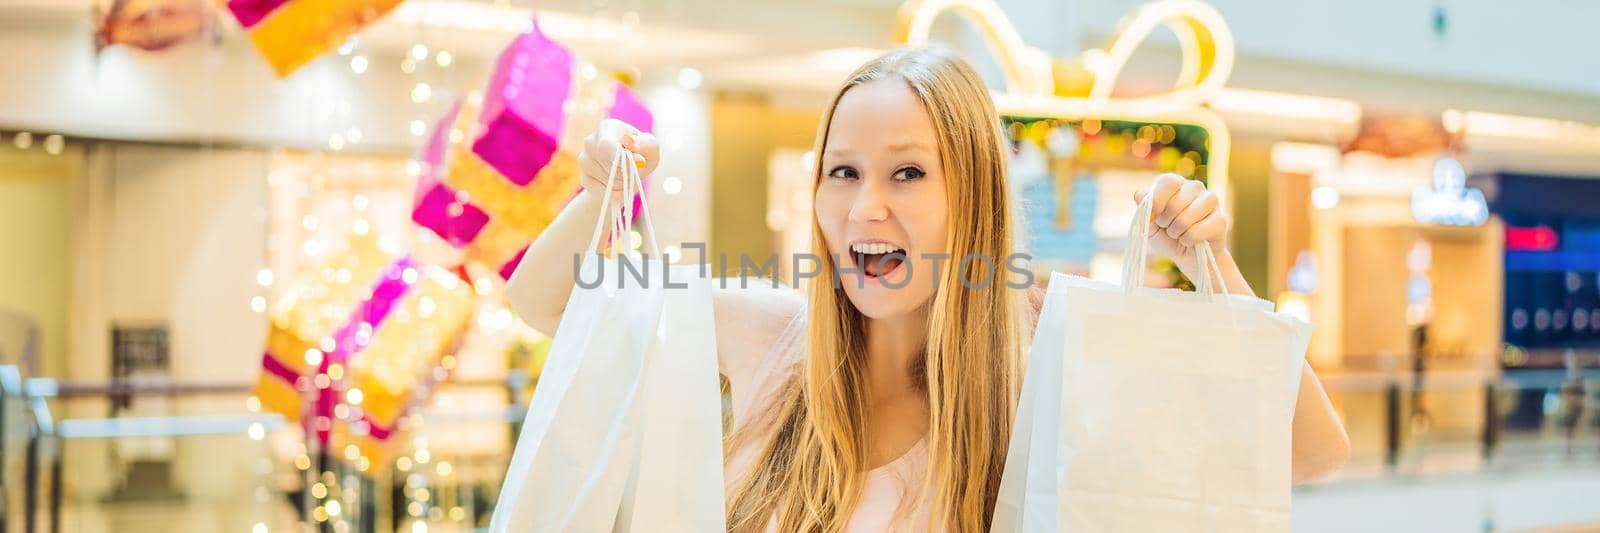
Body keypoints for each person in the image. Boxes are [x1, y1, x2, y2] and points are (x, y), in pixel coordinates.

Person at [506, 45, 1350, 532]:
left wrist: (1216, 268)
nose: (865, 206)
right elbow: (547, 302)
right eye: (843, 172)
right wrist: (598, 194)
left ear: (973, 195)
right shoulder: (773, 336)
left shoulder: (1045, 362)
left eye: (908, 173)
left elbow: (1310, 451)